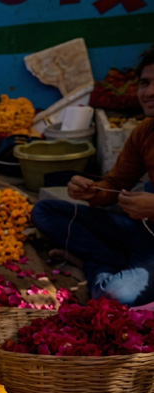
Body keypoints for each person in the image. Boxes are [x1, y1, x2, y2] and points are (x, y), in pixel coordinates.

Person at [31, 47, 154, 308]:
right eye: (145, 83)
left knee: (115, 298)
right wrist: (92, 190)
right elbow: (115, 183)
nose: (149, 92)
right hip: (143, 230)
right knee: (44, 211)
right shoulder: (145, 132)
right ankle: (110, 259)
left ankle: (95, 264)